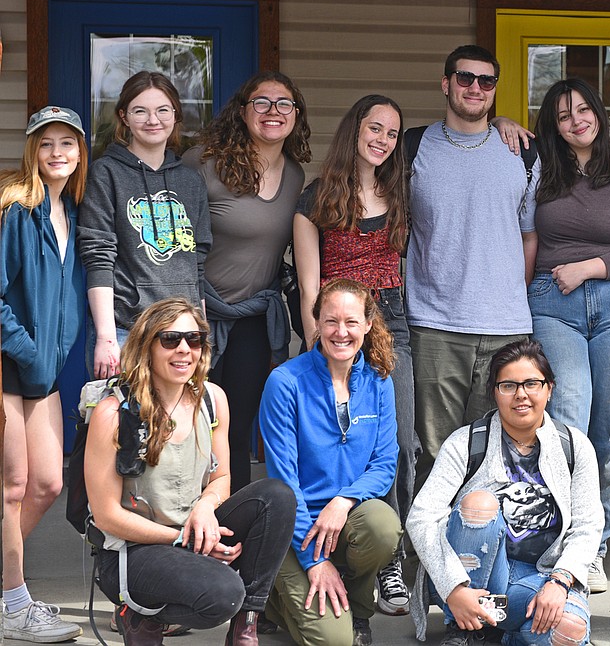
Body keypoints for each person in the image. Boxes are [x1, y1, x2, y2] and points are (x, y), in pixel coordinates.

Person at [83, 298, 296, 645]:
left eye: (194, 339)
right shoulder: (114, 412)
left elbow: (222, 477)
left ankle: (247, 626)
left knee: (276, 497)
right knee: (223, 594)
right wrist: (184, 539)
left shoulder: (212, 398)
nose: (184, 349)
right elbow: (107, 516)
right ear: (146, 346)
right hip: (134, 550)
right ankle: (139, 612)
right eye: (170, 339)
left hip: (191, 534)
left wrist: (204, 508)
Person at [529, 78, 610, 591]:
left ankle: (595, 546)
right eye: (564, 115)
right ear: (553, 128)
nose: (577, 120)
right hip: (552, 303)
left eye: (584, 110)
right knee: (566, 415)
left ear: (599, 115)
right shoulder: (540, 171)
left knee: (609, 426)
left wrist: (588, 268)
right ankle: (562, 541)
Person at [293, 94, 417, 616]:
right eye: (374, 128)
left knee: (401, 445)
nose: (383, 140)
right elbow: (307, 289)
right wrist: (318, 348)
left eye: (392, 133)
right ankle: (321, 548)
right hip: (336, 330)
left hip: (392, 327)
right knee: (336, 441)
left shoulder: (400, 193)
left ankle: (389, 559)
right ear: (354, 130)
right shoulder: (316, 198)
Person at [406, 44, 537, 501]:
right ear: (446, 84)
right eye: (465, 78)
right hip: (435, 324)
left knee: (496, 452)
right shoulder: (412, 146)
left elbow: (529, 236)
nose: (475, 88)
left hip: (506, 327)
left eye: (486, 81)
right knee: (434, 451)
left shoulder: (522, 152)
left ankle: (481, 553)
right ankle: (427, 557)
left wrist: (509, 294)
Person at [407, 339, 601, 646]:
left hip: (539, 577)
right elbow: (421, 518)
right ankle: (466, 630)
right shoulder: (466, 443)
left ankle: (500, 633)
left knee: (570, 630)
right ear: (494, 392)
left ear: (549, 389)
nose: (521, 394)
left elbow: (588, 525)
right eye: (508, 385)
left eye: (532, 384)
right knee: (479, 504)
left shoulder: (574, 446)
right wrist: (454, 588)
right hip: (472, 576)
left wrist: (561, 580)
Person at [183, 71, 309, 496]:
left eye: (283, 104)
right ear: (242, 110)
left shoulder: (295, 177)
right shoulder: (203, 163)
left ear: (296, 115)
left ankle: (230, 536)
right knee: (188, 424)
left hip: (254, 317)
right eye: (261, 102)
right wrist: (189, 305)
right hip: (198, 316)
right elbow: (178, 243)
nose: (272, 112)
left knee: (235, 428)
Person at [259, 278, 401, 646]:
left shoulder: (379, 380)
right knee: (333, 642)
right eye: (331, 321)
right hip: (295, 525)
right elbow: (284, 483)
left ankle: (359, 612)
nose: (341, 332)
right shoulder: (285, 382)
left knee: (382, 526)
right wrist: (314, 562)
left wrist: (344, 500)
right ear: (316, 322)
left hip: (345, 518)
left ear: (368, 325)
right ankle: (273, 598)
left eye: (351, 322)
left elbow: (385, 464)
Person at [1, 106, 87, 643]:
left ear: (80, 154)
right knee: (12, 486)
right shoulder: (16, 210)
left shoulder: (70, 213)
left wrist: (48, 356)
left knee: (48, 482)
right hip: (10, 364)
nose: (57, 153)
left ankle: (6, 591)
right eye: (46, 143)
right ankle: (14, 603)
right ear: (32, 151)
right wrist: (27, 350)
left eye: (68, 144)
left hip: (46, 370)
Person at [79, 70, 212, 380]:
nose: (153, 120)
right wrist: (106, 338)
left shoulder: (191, 181)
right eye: (141, 111)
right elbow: (98, 256)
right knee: (119, 425)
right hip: (128, 332)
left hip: (183, 336)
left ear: (176, 115)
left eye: (163, 110)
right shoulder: (106, 174)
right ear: (124, 117)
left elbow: (198, 264)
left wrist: (201, 336)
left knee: (181, 426)